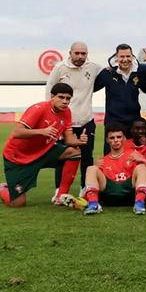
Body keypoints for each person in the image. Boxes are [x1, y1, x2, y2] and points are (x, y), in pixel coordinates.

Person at [1, 83, 86, 207]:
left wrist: (79, 141)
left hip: (43, 152)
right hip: (18, 157)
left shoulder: (67, 112)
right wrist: (42, 132)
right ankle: (2, 188)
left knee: (74, 151)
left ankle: (60, 196)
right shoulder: (39, 109)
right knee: (18, 203)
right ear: (52, 96)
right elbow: (17, 132)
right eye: (61, 97)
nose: (65, 101)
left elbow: (68, 140)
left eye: (68, 98)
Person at [46, 41, 102, 189]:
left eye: (83, 53)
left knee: (86, 158)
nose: (80, 56)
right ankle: (59, 190)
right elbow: (49, 93)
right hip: (64, 124)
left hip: (86, 121)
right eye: (77, 53)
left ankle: (86, 189)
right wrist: (52, 118)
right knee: (63, 157)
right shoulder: (59, 68)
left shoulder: (93, 67)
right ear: (69, 53)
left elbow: (113, 70)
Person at [81, 124, 146, 216]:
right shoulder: (102, 160)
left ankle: (139, 204)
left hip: (130, 194)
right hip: (109, 195)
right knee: (91, 168)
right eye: (112, 138)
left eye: (119, 137)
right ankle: (93, 204)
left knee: (141, 167)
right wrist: (95, 166)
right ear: (107, 140)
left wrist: (143, 160)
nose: (116, 140)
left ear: (124, 138)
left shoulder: (134, 155)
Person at [94, 43, 146, 153]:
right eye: (122, 56)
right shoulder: (107, 73)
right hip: (113, 121)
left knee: (133, 156)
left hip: (133, 121)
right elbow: (91, 88)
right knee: (111, 156)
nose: (125, 59)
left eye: (128, 56)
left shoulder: (140, 72)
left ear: (132, 56)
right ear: (116, 57)